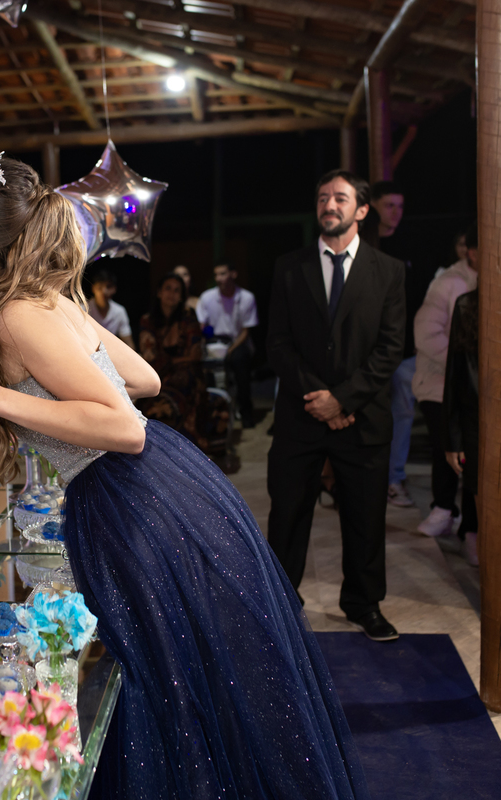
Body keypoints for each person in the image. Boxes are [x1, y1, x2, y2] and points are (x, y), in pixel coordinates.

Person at [0, 157, 369, 798]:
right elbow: (145, 379)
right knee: (185, 673)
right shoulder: (43, 302)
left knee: (161, 682)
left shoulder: (18, 312)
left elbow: (123, 426)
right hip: (158, 481)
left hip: (123, 498)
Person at [267, 169, 406, 643]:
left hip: (362, 419)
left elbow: (390, 348)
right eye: (323, 197)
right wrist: (320, 400)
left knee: (365, 518)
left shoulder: (389, 271)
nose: (330, 205)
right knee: (288, 515)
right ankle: (283, 600)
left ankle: (364, 604)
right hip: (300, 415)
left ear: (362, 209)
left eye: (341, 198)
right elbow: (278, 344)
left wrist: (343, 400)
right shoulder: (290, 266)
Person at [412, 224, 478, 537]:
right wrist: (464, 369)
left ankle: (472, 528)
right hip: (440, 383)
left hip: (480, 388)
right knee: (447, 447)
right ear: (471, 252)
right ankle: (443, 508)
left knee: (477, 453)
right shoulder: (448, 283)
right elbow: (426, 333)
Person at [364, 181, 418, 508]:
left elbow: (418, 299)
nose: (396, 212)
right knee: (367, 414)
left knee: (402, 412)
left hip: (405, 349)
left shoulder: (410, 244)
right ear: (372, 206)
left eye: (400, 206)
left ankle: (394, 478)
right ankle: (365, 479)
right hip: (368, 350)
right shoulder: (361, 245)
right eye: (389, 205)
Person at [137, 272, 214, 449]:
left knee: (186, 380)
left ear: (182, 296)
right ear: (159, 292)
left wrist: (171, 362)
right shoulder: (148, 320)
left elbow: (195, 354)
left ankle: (189, 445)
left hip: (187, 374)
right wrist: (176, 361)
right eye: (168, 289)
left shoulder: (188, 316)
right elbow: (150, 356)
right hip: (158, 375)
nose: (172, 294)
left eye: (177, 290)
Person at [442, 288, 480, 567]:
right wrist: (453, 438)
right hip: (476, 420)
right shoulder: (467, 304)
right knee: (482, 498)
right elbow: (455, 374)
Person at [196, 263, 259, 427]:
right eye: (216, 275)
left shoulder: (246, 297)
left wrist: (230, 350)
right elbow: (201, 326)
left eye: (222, 274)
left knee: (240, 364)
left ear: (233, 274)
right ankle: (212, 411)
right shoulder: (207, 297)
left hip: (237, 342)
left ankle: (246, 412)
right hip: (213, 342)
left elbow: (246, 330)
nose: (218, 278)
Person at [88, 270, 134, 350]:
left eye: (108, 287)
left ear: (114, 289)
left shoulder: (119, 311)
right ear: (93, 288)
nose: (104, 291)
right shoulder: (83, 310)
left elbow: (128, 342)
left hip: (110, 353)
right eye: (99, 287)